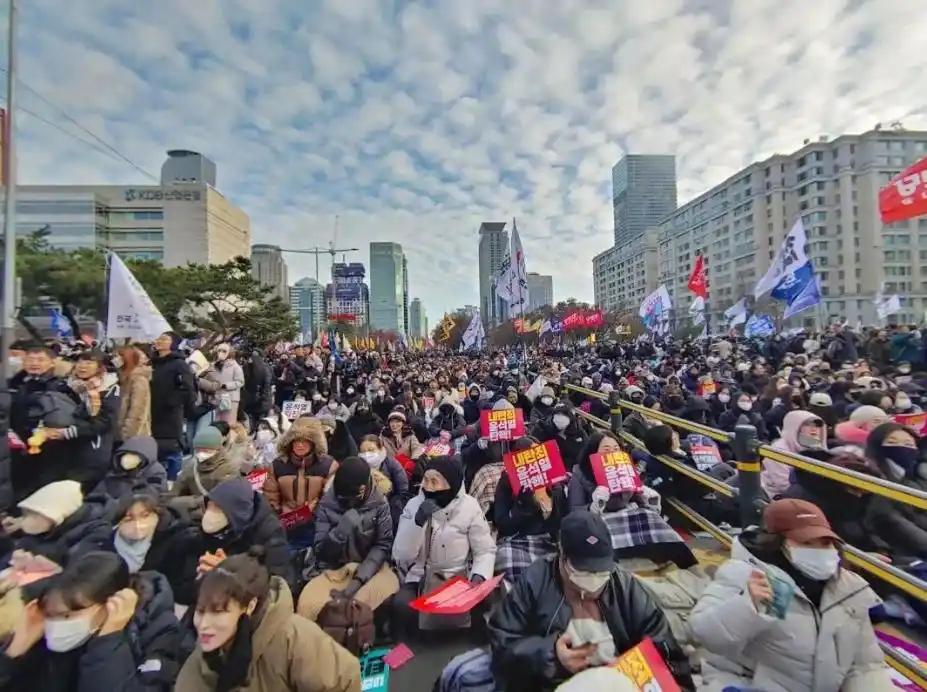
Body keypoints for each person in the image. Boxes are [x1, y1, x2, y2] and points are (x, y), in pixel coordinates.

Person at [690, 498, 893, 691]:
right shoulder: (744, 575)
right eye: (806, 543)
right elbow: (705, 634)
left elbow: (865, 664)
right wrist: (747, 606)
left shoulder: (849, 588)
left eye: (826, 543)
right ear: (777, 543)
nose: (819, 551)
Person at [487, 511, 692, 692]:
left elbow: (664, 648)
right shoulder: (536, 581)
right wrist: (550, 655)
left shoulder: (624, 586)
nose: (594, 580)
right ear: (562, 555)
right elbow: (503, 644)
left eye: (601, 571)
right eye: (584, 570)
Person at [175, 548, 361, 691]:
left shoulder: (293, 639)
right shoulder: (199, 664)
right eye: (200, 611)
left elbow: (345, 680)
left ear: (249, 606)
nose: (204, 624)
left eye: (218, 612)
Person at [0, 551, 180, 689]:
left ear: (109, 605)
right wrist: (14, 653)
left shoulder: (157, 630)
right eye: (51, 615)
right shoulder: (40, 625)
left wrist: (109, 640)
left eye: (67, 616)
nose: (56, 624)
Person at [392, 456, 496, 637]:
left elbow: (485, 549)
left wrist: (479, 575)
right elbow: (401, 554)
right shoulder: (414, 506)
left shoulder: (469, 506)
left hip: (459, 573)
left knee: (488, 598)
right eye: (426, 480)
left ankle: (470, 633)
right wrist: (417, 523)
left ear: (451, 485)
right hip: (423, 575)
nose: (428, 487)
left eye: (435, 482)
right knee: (402, 605)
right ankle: (420, 638)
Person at [296, 457, 399, 620]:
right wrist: (340, 532)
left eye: (353, 497)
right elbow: (321, 551)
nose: (349, 502)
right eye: (344, 498)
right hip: (334, 569)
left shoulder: (379, 503)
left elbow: (382, 545)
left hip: (369, 568)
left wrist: (358, 580)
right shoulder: (327, 504)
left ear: (364, 489)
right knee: (309, 604)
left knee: (373, 598)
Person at [189, 478, 293, 602]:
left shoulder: (270, 533)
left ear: (236, 513)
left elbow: (277, 588)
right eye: (210, 506)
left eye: (218, 508)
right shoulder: (213, 530)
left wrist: (228, 572)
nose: (210, 514)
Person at [263, 417, 336, 546]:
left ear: (314, 443)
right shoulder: (278, 465)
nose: (299, 445)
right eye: (296, 440)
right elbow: (270, 497)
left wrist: (313, 509)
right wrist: (280, 517)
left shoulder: (328, 466)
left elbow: (330, 497)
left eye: (305, 441)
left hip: (316, 525)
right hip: (286, 526)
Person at [7, 480, 111, 569]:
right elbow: (25, 543)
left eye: (35, 514)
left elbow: (74, 568)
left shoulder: (94, 529)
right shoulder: (46, 528)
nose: (29, 519)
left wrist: (36, 561)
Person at [863, 422, 927, 557]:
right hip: (896, 555)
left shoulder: (912, 480)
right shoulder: (869, 479)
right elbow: (892, 520)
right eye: (892, 442)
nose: (902, 448)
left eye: (909, 444)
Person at [149, 332, 196, 481]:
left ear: (173, 344)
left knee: (171, 450)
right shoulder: (152, 364)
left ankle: (173, 481)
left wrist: (171, 401)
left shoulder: (179, 364)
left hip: (170, 415)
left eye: (164, 339)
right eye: (158, 338)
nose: (159, 341)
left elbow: (188, 389)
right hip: (152, 414)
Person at [764, 410, 827, 499]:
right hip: (778, 497)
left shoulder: (816, 446)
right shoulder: (778, 450)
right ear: (794, 426)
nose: (814, 429)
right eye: (808, 425)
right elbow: (785, 485)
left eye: (818, 425)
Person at [92, 435, 167, 501]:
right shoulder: (113, 474)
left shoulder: (155, 473)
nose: (127, 461)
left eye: (133, 458)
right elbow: (95, 496)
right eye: (125, 456)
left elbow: (154, 496)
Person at [172, 425, 238, 501]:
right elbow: (173, 494)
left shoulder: (229, 469)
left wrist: (192, 502)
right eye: (198, 450)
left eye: (206, 450)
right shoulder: (191, 467)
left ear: (217, 449)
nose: (201, 453)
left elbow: (222, 500)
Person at [358, 434, 409, 524]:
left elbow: (403, 489)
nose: (367, 455)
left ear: (380, 449)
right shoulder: (357, 466)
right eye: (363, 452)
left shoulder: (391, 464)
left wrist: (388, 488)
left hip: (389, 507)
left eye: (371, 450)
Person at [532, 403, 588, 470]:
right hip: (549, 469)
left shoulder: (579, 432)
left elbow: (585, 452)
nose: (560, 418)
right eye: (558, 414)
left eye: (564, 415)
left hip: (573, 469)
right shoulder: (541, 429)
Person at [114, 345, 151, 442]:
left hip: (133, 437)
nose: (115, 360)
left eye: (119, 356)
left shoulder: (138, 380)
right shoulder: (121, 378)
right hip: (118, 434)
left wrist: (126, 435)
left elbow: (137, 411)